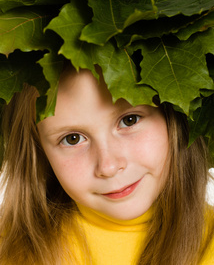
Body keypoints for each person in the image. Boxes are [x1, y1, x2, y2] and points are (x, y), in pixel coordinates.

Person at [0, 64, 213, 265]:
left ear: (172, 115)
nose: (109, 167)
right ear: (39, 151)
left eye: (130, 120)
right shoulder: (8, 250)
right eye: (72, 138)